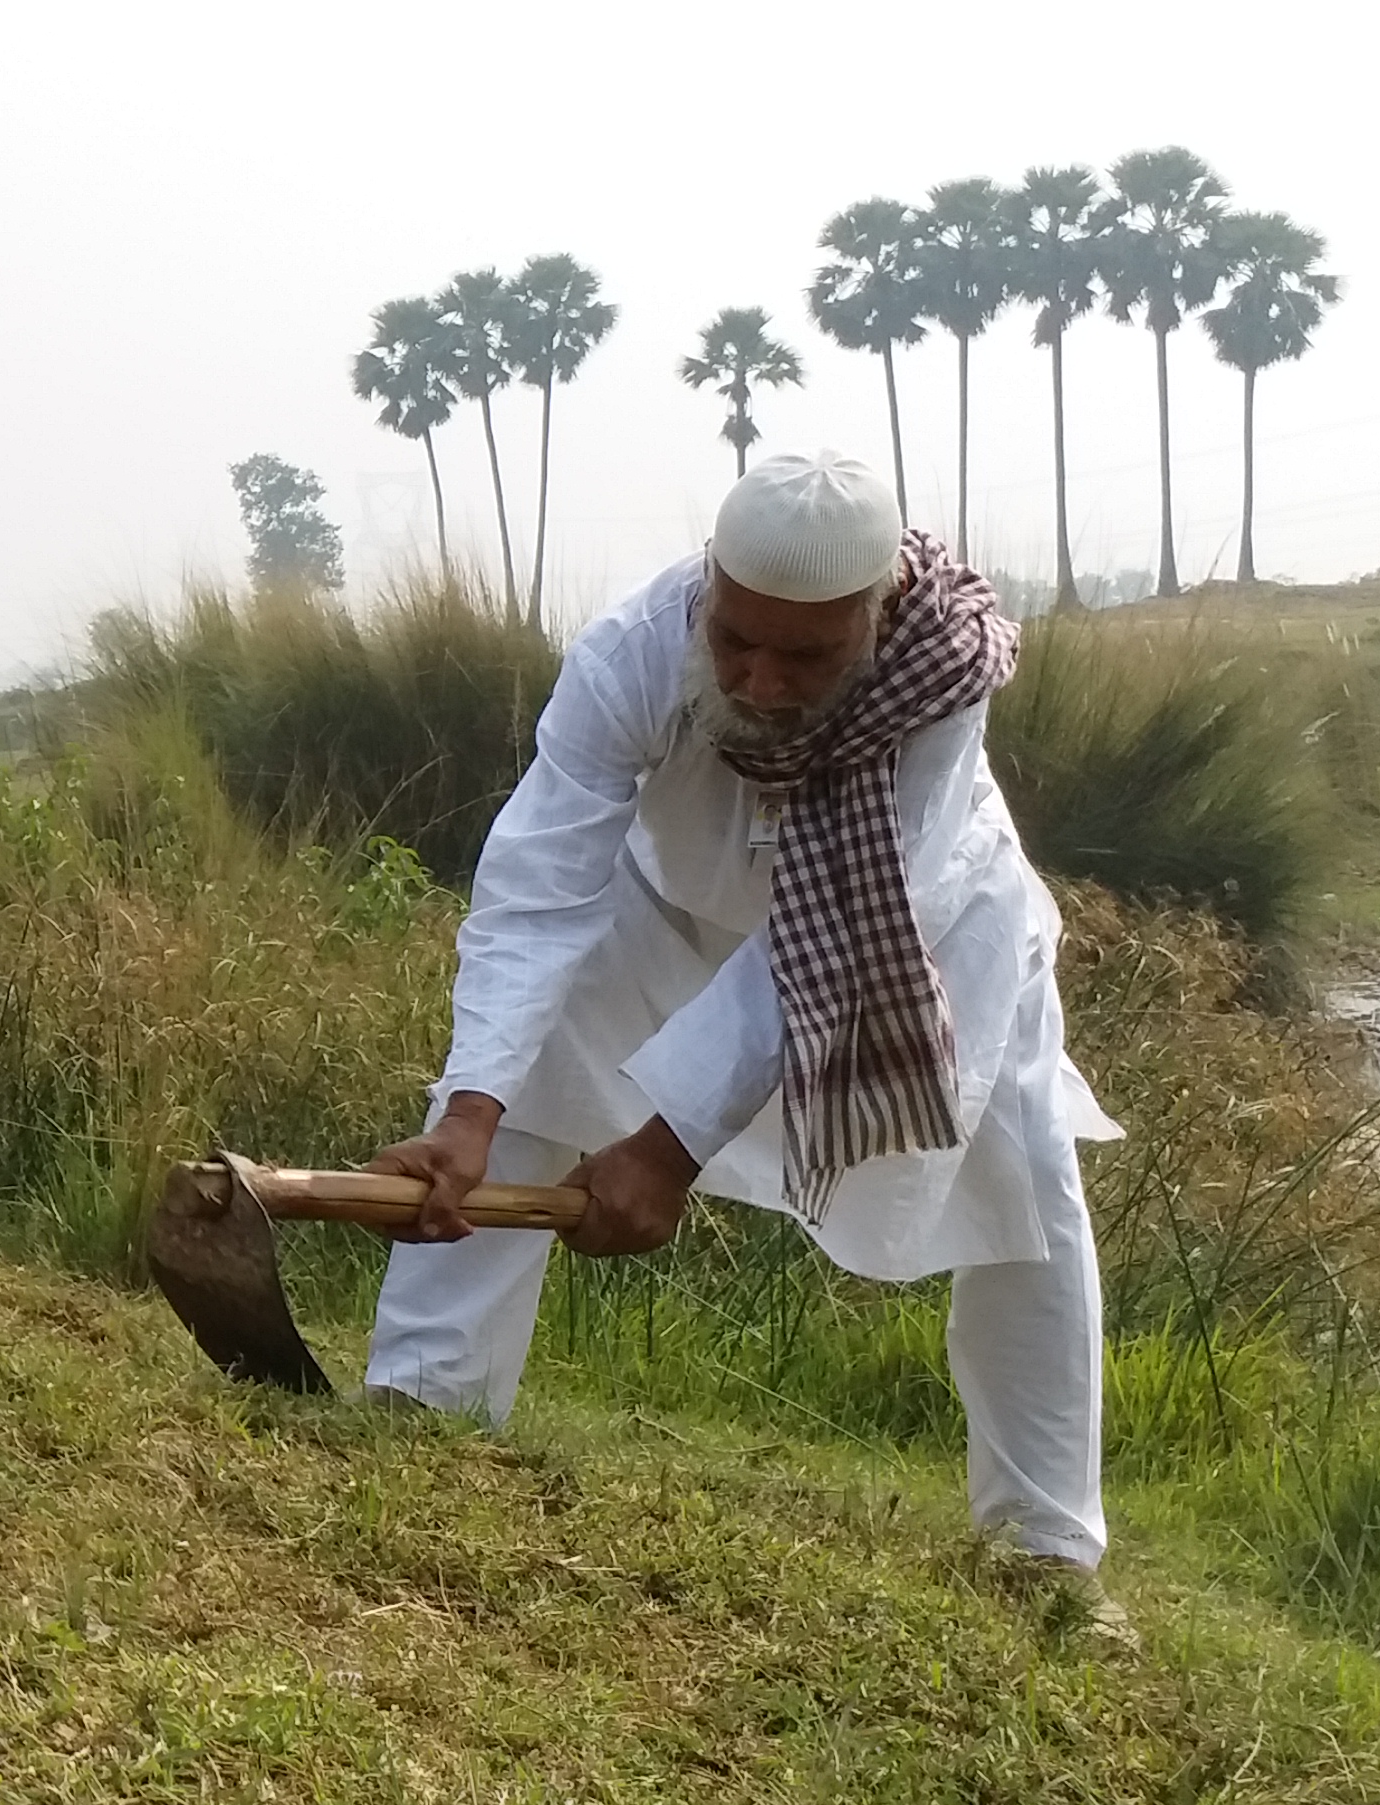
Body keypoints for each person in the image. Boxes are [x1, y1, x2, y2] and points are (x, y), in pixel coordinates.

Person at [363, 452, 1121, 1603]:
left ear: (876, 617)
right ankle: (420, 1399)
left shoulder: (938, 676)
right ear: (708, 590)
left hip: (921, 935)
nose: (761, 682)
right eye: (736, 642)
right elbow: (538, 884)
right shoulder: (630, 650)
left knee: (1022, 1187)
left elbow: (834, 942)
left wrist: (668, 1148)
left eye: (805, 655)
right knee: (523, 1070)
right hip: (666, 909)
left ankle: (1046, 1547)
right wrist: (472, 1110)